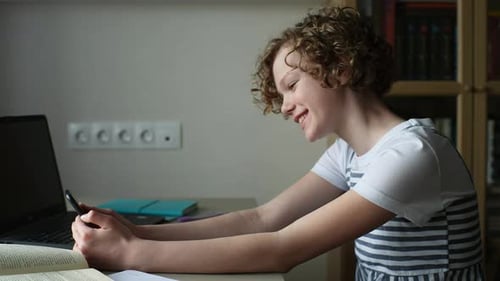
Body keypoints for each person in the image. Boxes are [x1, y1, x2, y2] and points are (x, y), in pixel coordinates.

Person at [72, 6, 484, 280]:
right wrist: (137, 233)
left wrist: (128, 254)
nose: (284, 107)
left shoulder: (412, 154)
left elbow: (284, 249)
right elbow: (263, 219)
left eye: (291, 85)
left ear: (340, 69)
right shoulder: (349, 153)